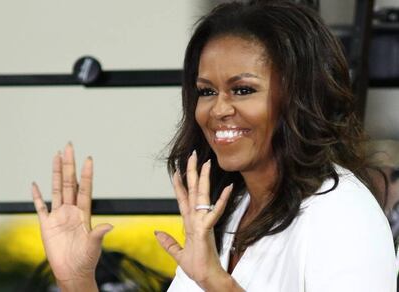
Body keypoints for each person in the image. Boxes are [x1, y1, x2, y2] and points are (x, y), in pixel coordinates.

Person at [32, 0, 397, 291]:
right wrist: (76, 280)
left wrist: (216, 282)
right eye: (207, 91)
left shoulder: (341, 213)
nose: (219, 109)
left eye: (243, 90)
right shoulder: (232, 208)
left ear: (300, 97)